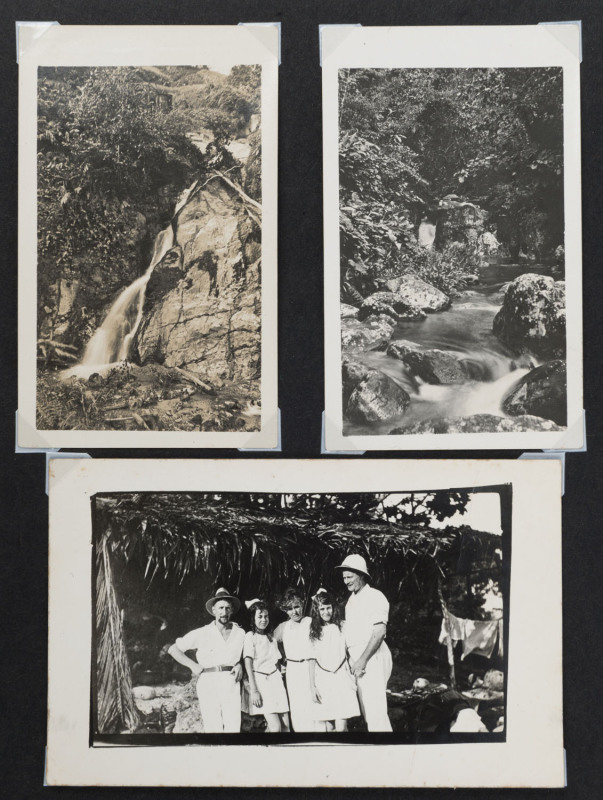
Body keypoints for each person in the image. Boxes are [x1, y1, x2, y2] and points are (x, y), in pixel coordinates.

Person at [167, 587, 244, 733]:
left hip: (230, 681)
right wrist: (192, 665)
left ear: (232, 610)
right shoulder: (202, 632)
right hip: (209, 682)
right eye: (220, 608)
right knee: (213, 726)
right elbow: (173, 649)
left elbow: (243, 655)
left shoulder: (239, 633)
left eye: (228, 608)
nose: (224, 612)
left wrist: (239, 664)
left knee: (233, 726)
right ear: (214, 610)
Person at [335, 554, 393, 732]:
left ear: (361, 575)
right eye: (344, 577)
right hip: (357, 661)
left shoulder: (375, 596)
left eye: (349, 577)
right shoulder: (351, 601)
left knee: (376, 713)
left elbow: (379, 633)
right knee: (368, 712)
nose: (346, 581)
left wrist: (362, 660)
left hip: (372, 657)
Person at [307, 588, 360, 731]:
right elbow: (311, 659)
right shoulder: (313, 631)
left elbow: (351, 649)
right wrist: (312, 686)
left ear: (333, 607)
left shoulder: (342, 626)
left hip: (341, 677)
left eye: (328, 608)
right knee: (329, 726)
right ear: (316, 610)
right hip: (323, 679)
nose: (326, 612)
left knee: (341, 725)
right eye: (322, 609)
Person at [241, 599, 290, 733]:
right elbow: (248, 664)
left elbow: (276, 662)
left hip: (276, 682)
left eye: (266, 616)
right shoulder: (250, 636)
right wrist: (254, 690)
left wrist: (281, 669)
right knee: (275, 727)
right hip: (261, 683)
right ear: (253, 618)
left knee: (286, 726)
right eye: (260, 616)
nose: (264, 620)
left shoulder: (271, 638)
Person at [274, 588, 316, 732]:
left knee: (313, 706)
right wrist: (280, 662)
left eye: (297, 606)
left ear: (302, 604)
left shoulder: (310, 622)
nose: (294, 612)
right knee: (297, 707)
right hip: (292, 671)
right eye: (290, 608)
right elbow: (270, 643)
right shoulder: (283, 627)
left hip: (310, 668)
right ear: (285, 610)